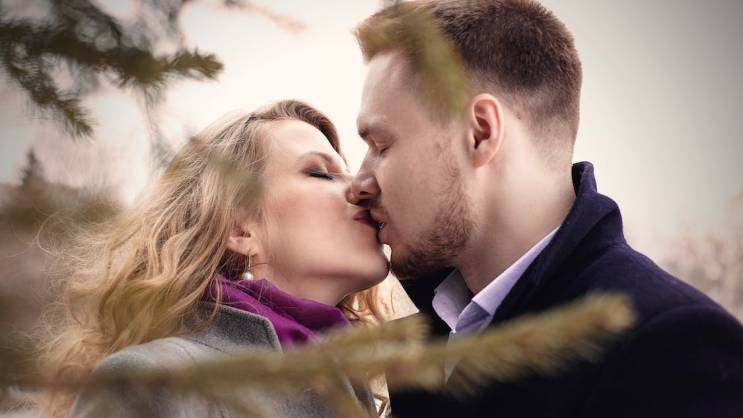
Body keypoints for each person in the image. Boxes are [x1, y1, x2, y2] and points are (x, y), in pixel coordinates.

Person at [347, 1, 743, 417]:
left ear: (480, 133)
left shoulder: (670, 348)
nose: (358, 183)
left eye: (380, 146)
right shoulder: (418, 338)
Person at [37, 100, 390, 418]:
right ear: (240, 228)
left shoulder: (352, 385)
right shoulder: (153, 383)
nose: (361, 187)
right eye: (320, 172)